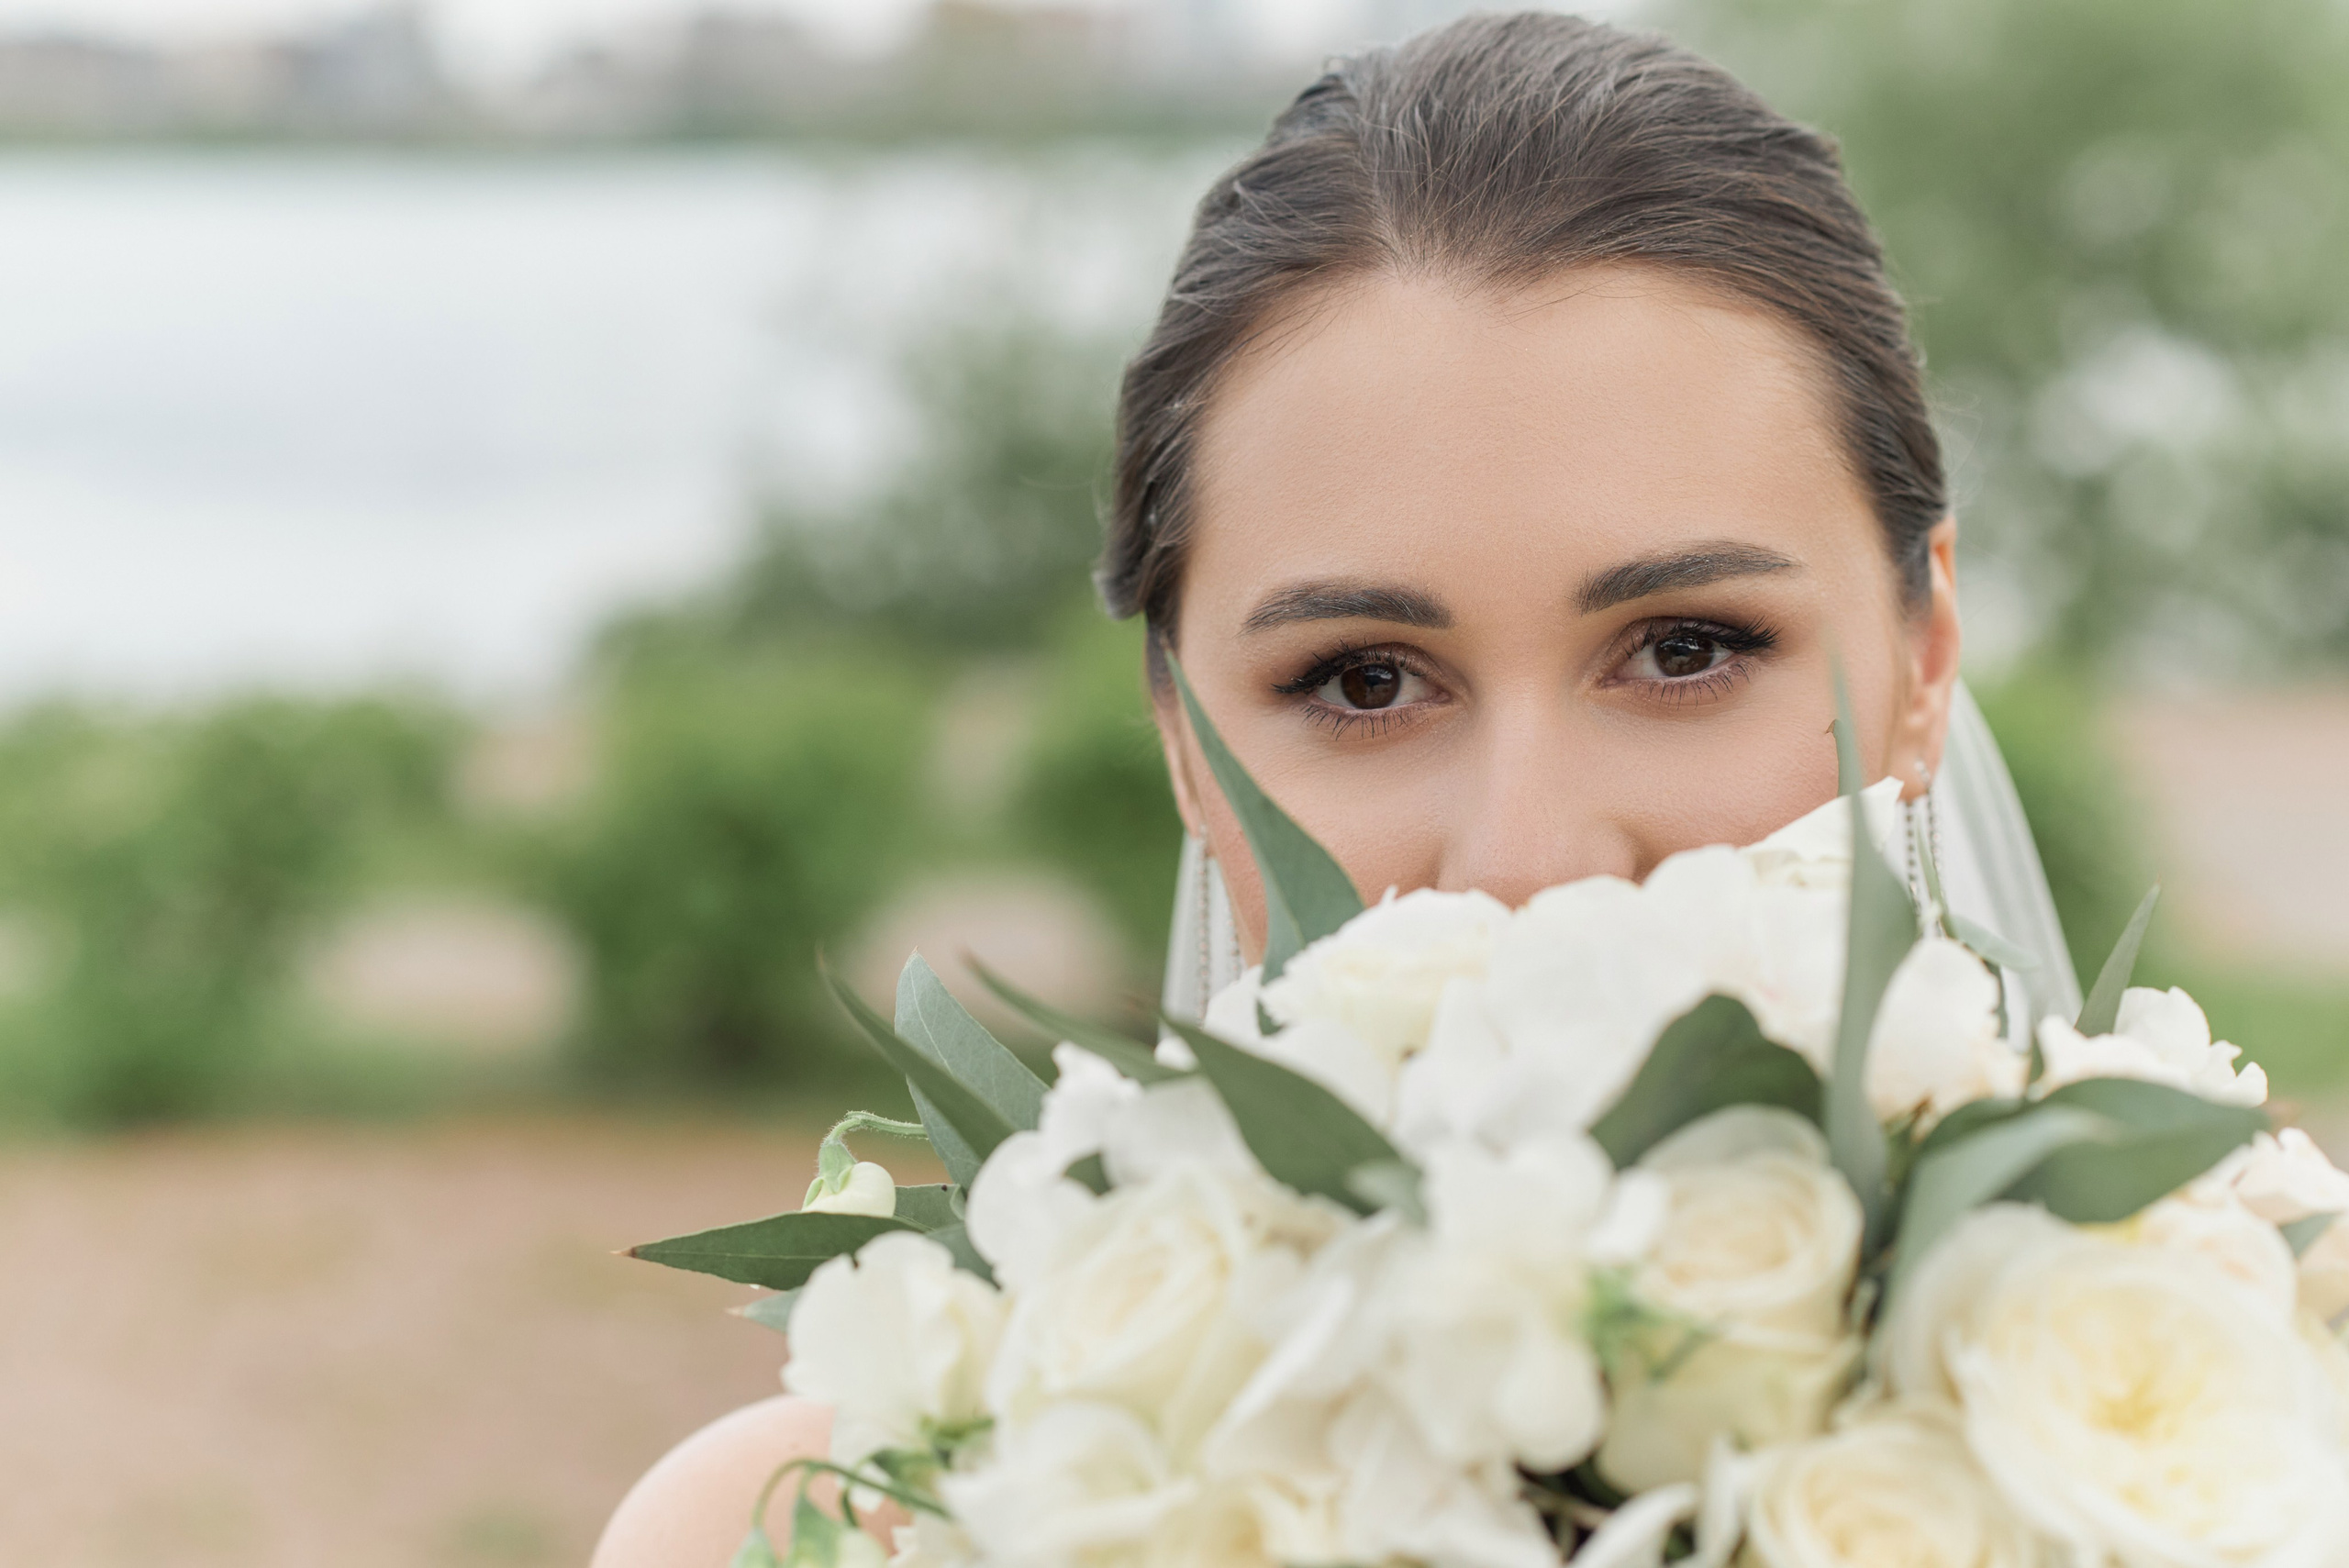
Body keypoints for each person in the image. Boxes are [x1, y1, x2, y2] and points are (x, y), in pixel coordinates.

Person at [591, 13, 2075, 1563]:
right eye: (1366, 680)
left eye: (1685, 647)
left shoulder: (2280, 1421)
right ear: (1181, 738)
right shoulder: (810, 1531)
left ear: (1925, 656)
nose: (1528, 865)